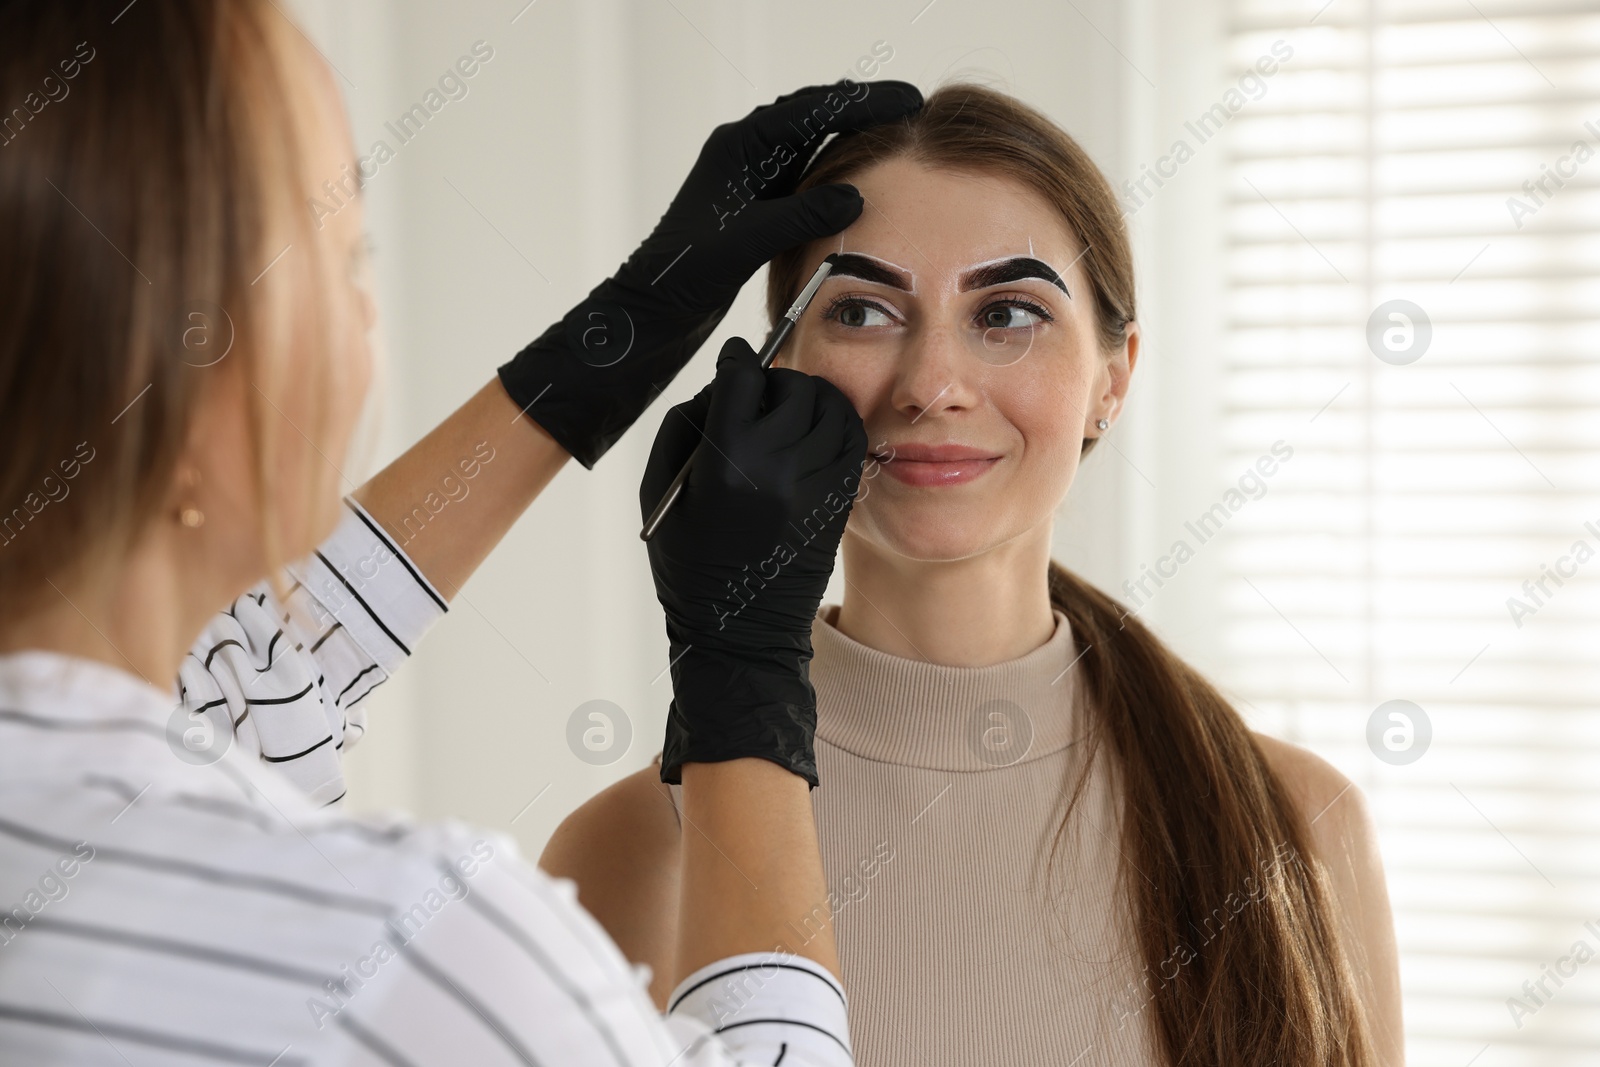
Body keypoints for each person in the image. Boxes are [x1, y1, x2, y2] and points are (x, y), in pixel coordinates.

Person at [0, 1, 917, 1063]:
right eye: (349, 261)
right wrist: (742, 675)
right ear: (191, 367)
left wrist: (611, 341)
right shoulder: (401, 956)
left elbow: (247, 668)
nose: (933, 385)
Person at [542, 83, 1406, 1066]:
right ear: (777, 365)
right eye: (862, 309)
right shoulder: (629, 850)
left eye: (1007, 312)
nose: (930, 385)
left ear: (1113, 378)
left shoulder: (1298, 826)